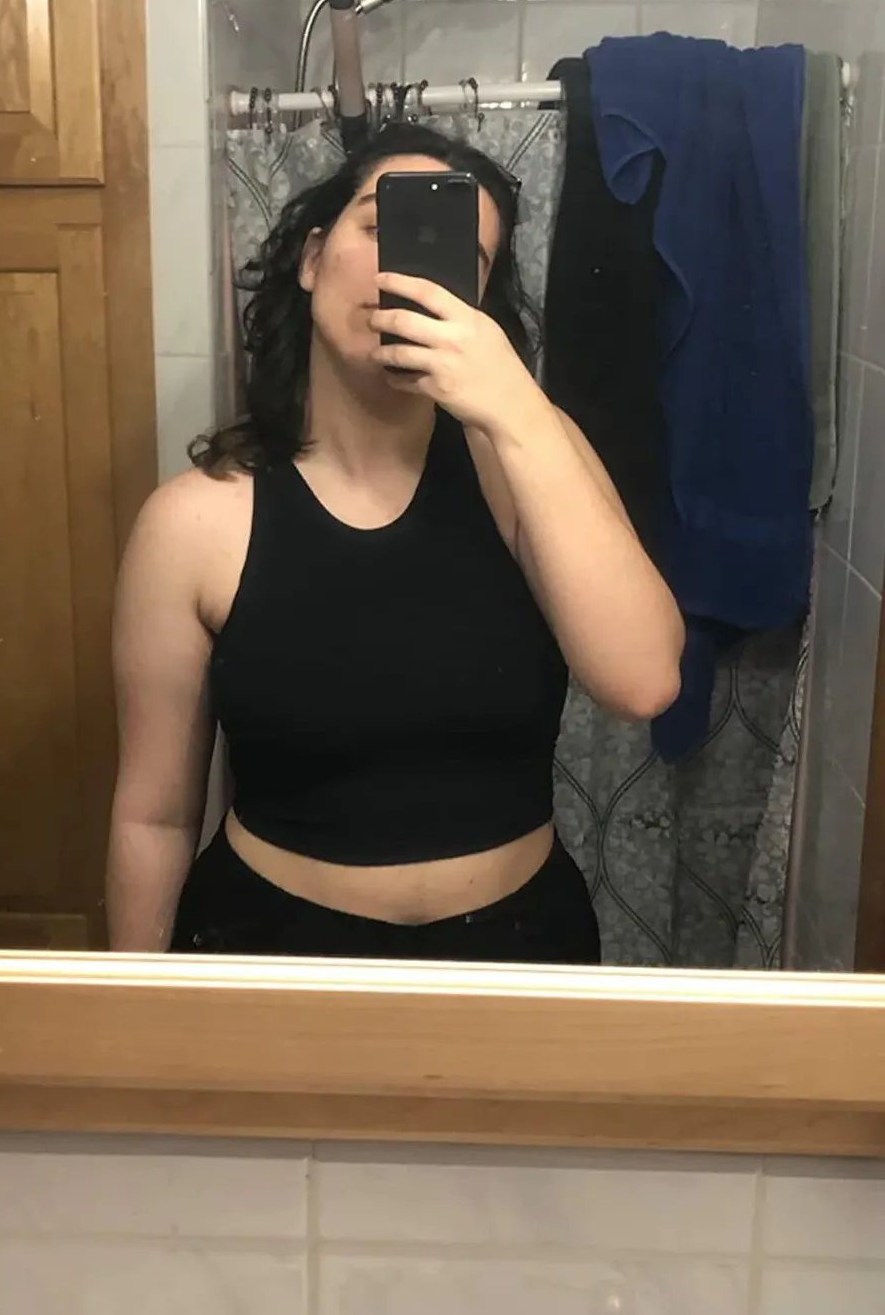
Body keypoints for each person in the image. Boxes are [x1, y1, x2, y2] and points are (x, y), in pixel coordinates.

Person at [106, 122, 684, 963]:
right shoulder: (191, 521)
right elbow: (153, 817)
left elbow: (644, 680)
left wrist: (519, 407)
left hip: (519, 953)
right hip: (266, 954)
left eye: (458, 256)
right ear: (312, 259)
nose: (403, 270)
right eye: (381, 226)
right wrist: (131, 1013)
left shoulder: (528, 460)